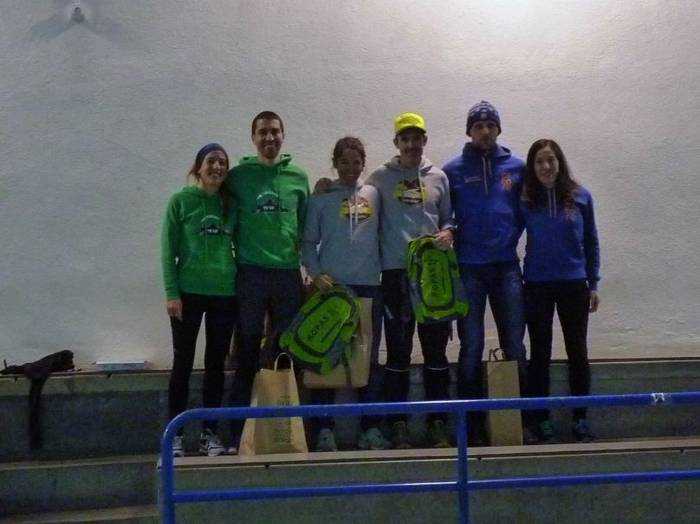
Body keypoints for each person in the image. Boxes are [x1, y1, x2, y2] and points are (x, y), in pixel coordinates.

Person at [442, 101, 528, 445]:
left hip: (506, 267)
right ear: (469, 131)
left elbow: (531, 207)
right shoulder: (453, 170)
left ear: (498, 129)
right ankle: (471, 425)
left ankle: (522, 421)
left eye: (491, 125)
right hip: (469, 269)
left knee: (515, 344)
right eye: (478, 126)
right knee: (471, 346)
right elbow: (443, 214)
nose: (485, 131)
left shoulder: (518, 167)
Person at [367, 112, 454, 449]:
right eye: (405, 138)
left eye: (417, 138)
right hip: (395, 276)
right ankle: (398, 424)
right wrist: (327, 187)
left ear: (424, 140)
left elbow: (449, 220)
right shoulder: (380, 177)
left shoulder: (439, 177)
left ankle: (437, 424)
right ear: (396, 143)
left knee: (436, 352)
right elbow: (355, 196)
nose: (412, 144)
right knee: (398, 352)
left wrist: (448, 232)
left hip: (433, 277)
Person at [225, 111, 310, 451]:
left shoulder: (298, 177)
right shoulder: (238, 177)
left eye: (275, 131)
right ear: (253, 138)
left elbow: (305, 225)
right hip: (250, 275)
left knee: (289, 354)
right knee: (247, 354)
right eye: (263, 132)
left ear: (283, 135)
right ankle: (235, 436)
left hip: (287, 275)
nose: (269, 138)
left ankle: (288, 434)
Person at [302, 136, 390, 452]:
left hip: (369, 288)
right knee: (324, 358)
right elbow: (307, 242)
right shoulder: (321, 198)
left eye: (356, 162)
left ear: (363, 164)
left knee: (369, 359)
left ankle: (370, 428)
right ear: (335, 164)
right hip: (332, 290)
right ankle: (323, 430)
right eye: (344, 162)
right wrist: (316, 274)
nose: (350, 168)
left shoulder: (375, 194)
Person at [520, 139, 600, 443]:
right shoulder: (526, 199)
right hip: (537, 285)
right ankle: (541, 420)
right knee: (539, 354)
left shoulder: (581, 196)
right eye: (539, 161)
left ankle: (580, 419)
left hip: (574, 284)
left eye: (550, 160)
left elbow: (591, 242)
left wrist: (593, 283)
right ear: (532, 167)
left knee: (577, 352)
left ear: (559, 162)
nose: (546, 166)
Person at [161, 143, 237, 457]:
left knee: (215, 364)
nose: (217, 167)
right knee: (182, 363)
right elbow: (168, 251)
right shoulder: (180, 201)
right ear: (198, 168)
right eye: (211, 161)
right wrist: (172, 294)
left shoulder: (231, 205)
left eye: (222, 162)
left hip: (224, 294)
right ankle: (175, 436)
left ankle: (209, 434)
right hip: (188, 294)